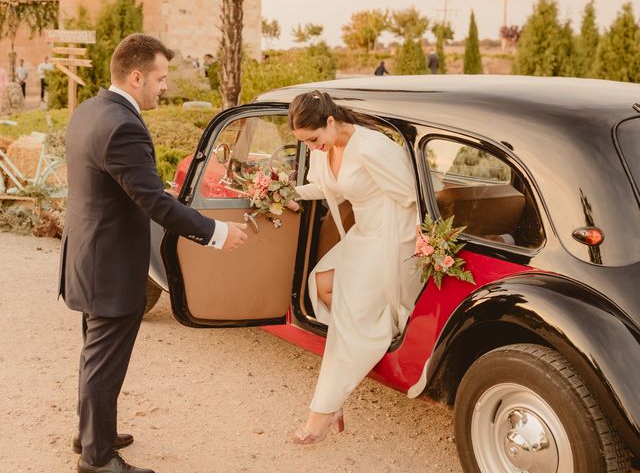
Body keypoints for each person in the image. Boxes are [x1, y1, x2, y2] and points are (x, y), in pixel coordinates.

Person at [59, 33, 248, 473]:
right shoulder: (123, 124)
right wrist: (216, 231)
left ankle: (92, 433)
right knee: (103, 360)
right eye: (161, 78)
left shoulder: (90, 110)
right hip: (109, 265)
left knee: (94, 354)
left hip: (87, 256)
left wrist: (154, 188)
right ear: (138, 75)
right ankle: (97, 457)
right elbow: (155, 205)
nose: (165, 87)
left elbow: (118, 184)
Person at [286, 91, 421, 444]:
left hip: (392, 237)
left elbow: (411, 197)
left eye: (313, 139)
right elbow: (322, 186)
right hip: (362, 234)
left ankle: (324, 412)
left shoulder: (372, 148)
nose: (313, 147)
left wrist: (413, 250)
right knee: (321, 286)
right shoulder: (325, 149)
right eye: (305, 143)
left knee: (348, 312)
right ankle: (349, 362)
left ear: (330, 122)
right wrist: (287, 193)